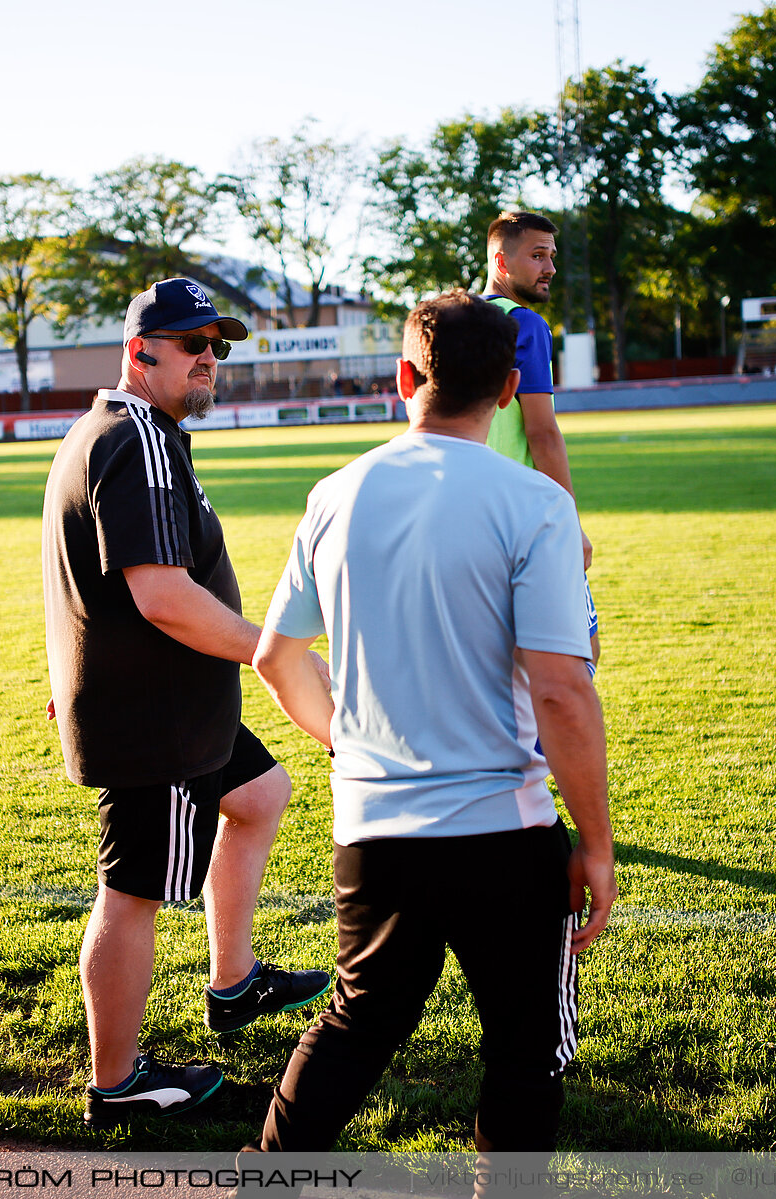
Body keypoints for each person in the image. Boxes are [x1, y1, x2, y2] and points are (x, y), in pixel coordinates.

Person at [248, 290, 615, 1155]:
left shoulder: (335, 493)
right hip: (504, 831)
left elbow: (275, 658)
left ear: (405, 376)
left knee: (354, 1025)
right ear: (510, 385)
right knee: (525, 1051)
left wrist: (348, 739)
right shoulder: (536, 503)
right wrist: (596, 844)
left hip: (375, 833)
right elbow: (561, 692)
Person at [40, 277, 332, 1129]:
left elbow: (81, 574)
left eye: (218, 346)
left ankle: (233, 982)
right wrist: (272, 650)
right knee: (130, 889)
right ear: (141, 352)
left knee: (261, 793)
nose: (211, 360)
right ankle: (119, 1082)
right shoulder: (138, 440)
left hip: (168, 700)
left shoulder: (119, 431)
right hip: (156, 714)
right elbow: (163, 596)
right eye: (193, 344)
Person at [480, 210, 598, 666]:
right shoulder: (524, 325)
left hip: (470, 512)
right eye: (537, 255)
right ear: (501, 261)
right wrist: (569, 523)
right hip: (527, 517)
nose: (550, 268)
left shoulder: (454, 320)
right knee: (578, 654)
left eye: (552, 256)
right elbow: (542, 432)